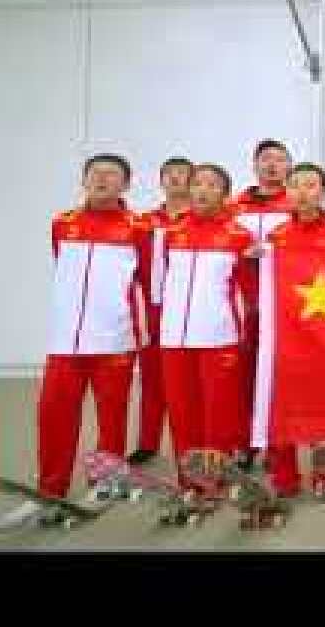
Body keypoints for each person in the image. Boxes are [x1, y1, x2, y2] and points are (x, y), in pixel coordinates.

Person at [0, 154, 152, 531]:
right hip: (66, 339)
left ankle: (107, 481)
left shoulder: (140, 228)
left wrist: (135, 331)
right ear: (84, 180)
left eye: (112, 174)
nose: (102, 179)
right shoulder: (63, 223)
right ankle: (50, 488)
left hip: (114, 339)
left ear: (126, 185)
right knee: (54, 414)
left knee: (111, 416)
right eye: (95, 173)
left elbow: (148, 281)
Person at [157, 164, 258, 495]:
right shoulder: (170, 232)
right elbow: (158, 286)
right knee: (182, 411)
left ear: (225, 194)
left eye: (213, 184)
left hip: (219, 336)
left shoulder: (239, 235)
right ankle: (189, 480)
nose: (203, 190)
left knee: (218, 412)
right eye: (198, 183)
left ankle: (215, 478)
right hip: (174, 338)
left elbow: (249, 291)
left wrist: (239, 333)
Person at [264, 162, 325, 498]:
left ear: (322, 192)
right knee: (283, 402)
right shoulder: (276, 236)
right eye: (296, 185)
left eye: (311, 185)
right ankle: (285, 476)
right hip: (286, 333)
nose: (302, 192)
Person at [229, 140, 298, 491]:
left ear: (289, 167)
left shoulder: (296, 205)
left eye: (279, 160)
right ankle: (243, 443)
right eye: (266, 159)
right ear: (254, 165)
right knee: (240, 377)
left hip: (281, 307)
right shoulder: (232, 207)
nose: (272, 165)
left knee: (275, 377)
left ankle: (275, 443)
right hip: (241, 304)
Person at [128, 156, 193, 466]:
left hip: (191, 309)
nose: (176, 179)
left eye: (183, 174)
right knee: (152, 377)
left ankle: (198, 445)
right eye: (170, 174)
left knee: (189, 382)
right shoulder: (143, 222)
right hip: (153, 308)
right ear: (161, 180)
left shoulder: (202, 220)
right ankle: (147, 441)